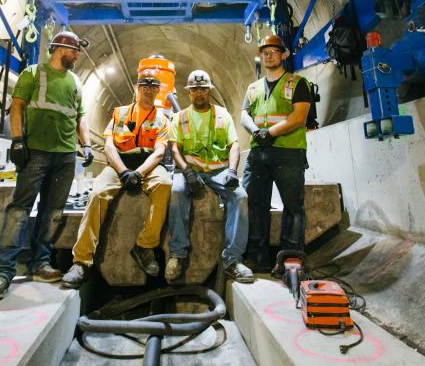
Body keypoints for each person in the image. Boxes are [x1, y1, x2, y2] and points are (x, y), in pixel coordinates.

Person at [0, 31, 93, 302]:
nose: (77, 56)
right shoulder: (33, 74)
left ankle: (40, 263)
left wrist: (87, 144)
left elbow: (80, 118)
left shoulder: (76, 82)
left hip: (65, 156)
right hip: (37, 152)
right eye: (75, 51)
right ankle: (2, 271)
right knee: (19, 210)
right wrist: (18, 140)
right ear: (60, 50)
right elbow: (17, 107)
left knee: (52, 212)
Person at [62, 68, 172, 288]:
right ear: (136, 88)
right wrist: (122, 171)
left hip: (148, 164)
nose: (148, 91)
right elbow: (109, 145)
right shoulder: (119, 113)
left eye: (153, 87)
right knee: (98, 193)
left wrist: (139, 173)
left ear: (158, 91)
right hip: (119, 163)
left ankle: (145, 245)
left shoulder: (162, 119)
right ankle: (82, 261)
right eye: (144, 86)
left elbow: (159, 152)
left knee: (165, 184)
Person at [165, 70, 254, 284]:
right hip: (190, 169)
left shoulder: (223, 115)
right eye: (194, 90)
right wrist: (186, 171)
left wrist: (232, 170)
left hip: (218, 170)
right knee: (177, 192)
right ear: (189, 93)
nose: (198, 93)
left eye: (203, 89)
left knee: (240, 197)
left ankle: (232, 259)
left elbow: (234, 145)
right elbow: (175, 148)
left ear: (209, 91)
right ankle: (177, 254)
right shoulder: (180, 117)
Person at [240, 34, 313, 272]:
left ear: (284, 55)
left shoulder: (297, 83)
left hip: (288, 152)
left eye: (273, 51)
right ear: (260, 57)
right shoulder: (253, 88)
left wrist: (269, 133)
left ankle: (289, 259)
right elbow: (244, 114)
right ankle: (256, 257)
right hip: (258, 154)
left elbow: (299, 117)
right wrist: (255, 130)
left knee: (293, 206)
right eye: (264, 52)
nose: (268, 55)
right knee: (255, 205)